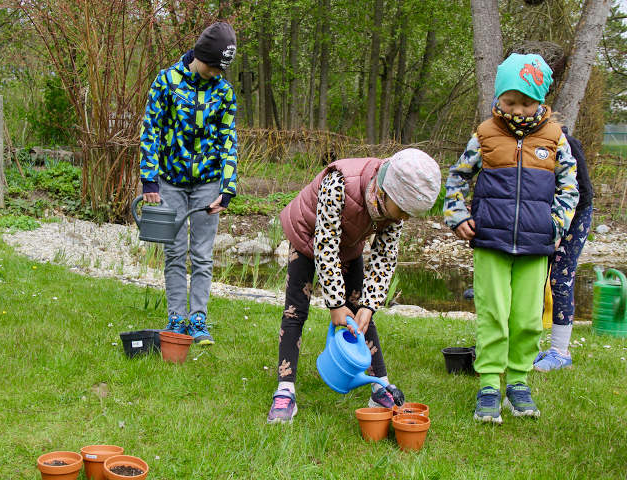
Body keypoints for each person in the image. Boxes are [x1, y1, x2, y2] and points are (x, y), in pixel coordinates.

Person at [443, 53, 579, 423]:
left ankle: (518, 380)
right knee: (493, 313)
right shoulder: (485, 134)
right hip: (490, 241)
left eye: (526, 102)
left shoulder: (555, 139)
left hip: (536, 245)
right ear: (498, 98)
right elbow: (457, 178)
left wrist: (557, 224)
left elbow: (570, 187)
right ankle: (489, 383)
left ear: (540, 101)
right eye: (510, 102)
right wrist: (458, 215)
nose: (517, 110)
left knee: (527, 318)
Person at [267, 148, 441, 424]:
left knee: (361, 313)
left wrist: (370, 305)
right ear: (386, 191)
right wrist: (336, 304)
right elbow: (325, 246)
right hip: (307, 235)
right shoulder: (340, 183)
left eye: (411, 214)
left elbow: (385, 257)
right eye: (404, 211)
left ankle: (379, 385)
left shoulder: (394, 210)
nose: (405, 219)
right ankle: (285, 390)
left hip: (349, 243)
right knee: (295, 312)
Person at [139, 22, 238, 345]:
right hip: (169, 183)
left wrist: (227, 187)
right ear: (200, 55)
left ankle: (198, 320)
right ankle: (177, 319)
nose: (215, 73)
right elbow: (151, 130)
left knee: (202, 255)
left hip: (208, 184)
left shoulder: (223, 92)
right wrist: (149, 181)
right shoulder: (166, 82)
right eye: (213, 66)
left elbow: (229, 140)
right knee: (175, 251)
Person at [534, 127, 593, 371]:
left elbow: (579, 193)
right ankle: (529, 347)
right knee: (535, 278)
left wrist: (560, 229)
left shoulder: (567, 144)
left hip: (575, 215)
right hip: (542, 218)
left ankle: (560, 351)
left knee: (560, 279)